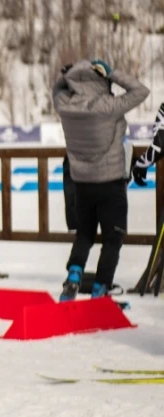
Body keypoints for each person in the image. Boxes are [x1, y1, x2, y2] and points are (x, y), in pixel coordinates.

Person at [53, 59, 149, 300]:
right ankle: (100, 288)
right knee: (113, 237)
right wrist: (113, 73)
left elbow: (57, 90)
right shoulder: (109, 106)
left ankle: (74, 274)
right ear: (102, 80)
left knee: (84, 234)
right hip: (110, 182)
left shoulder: (65, 105)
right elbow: (140, 91)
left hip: (82, 183)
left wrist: (67, 76)